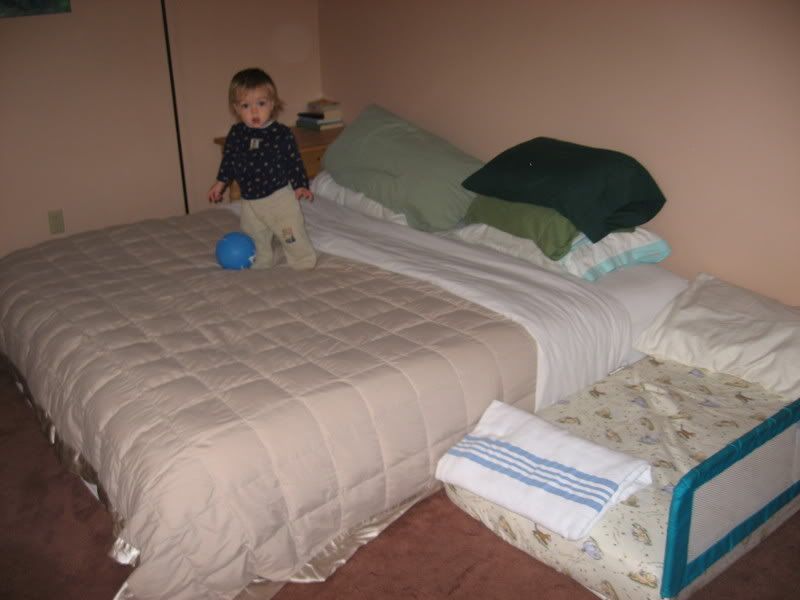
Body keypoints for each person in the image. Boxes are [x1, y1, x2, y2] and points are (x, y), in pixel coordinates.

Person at [209, 68, 316, 270]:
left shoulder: (281, 133)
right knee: (254, 233)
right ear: (236, 108)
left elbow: (293, 161)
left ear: (272, 103)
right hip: (249, 200)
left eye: (261, 103)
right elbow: (229, 160)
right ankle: (263, 259)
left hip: (279, 197)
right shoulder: (237, 134)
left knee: (290, 230)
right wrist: (220, 183)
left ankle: (302, 259)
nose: (254, 112)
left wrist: (300, 185)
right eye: (246, 106)